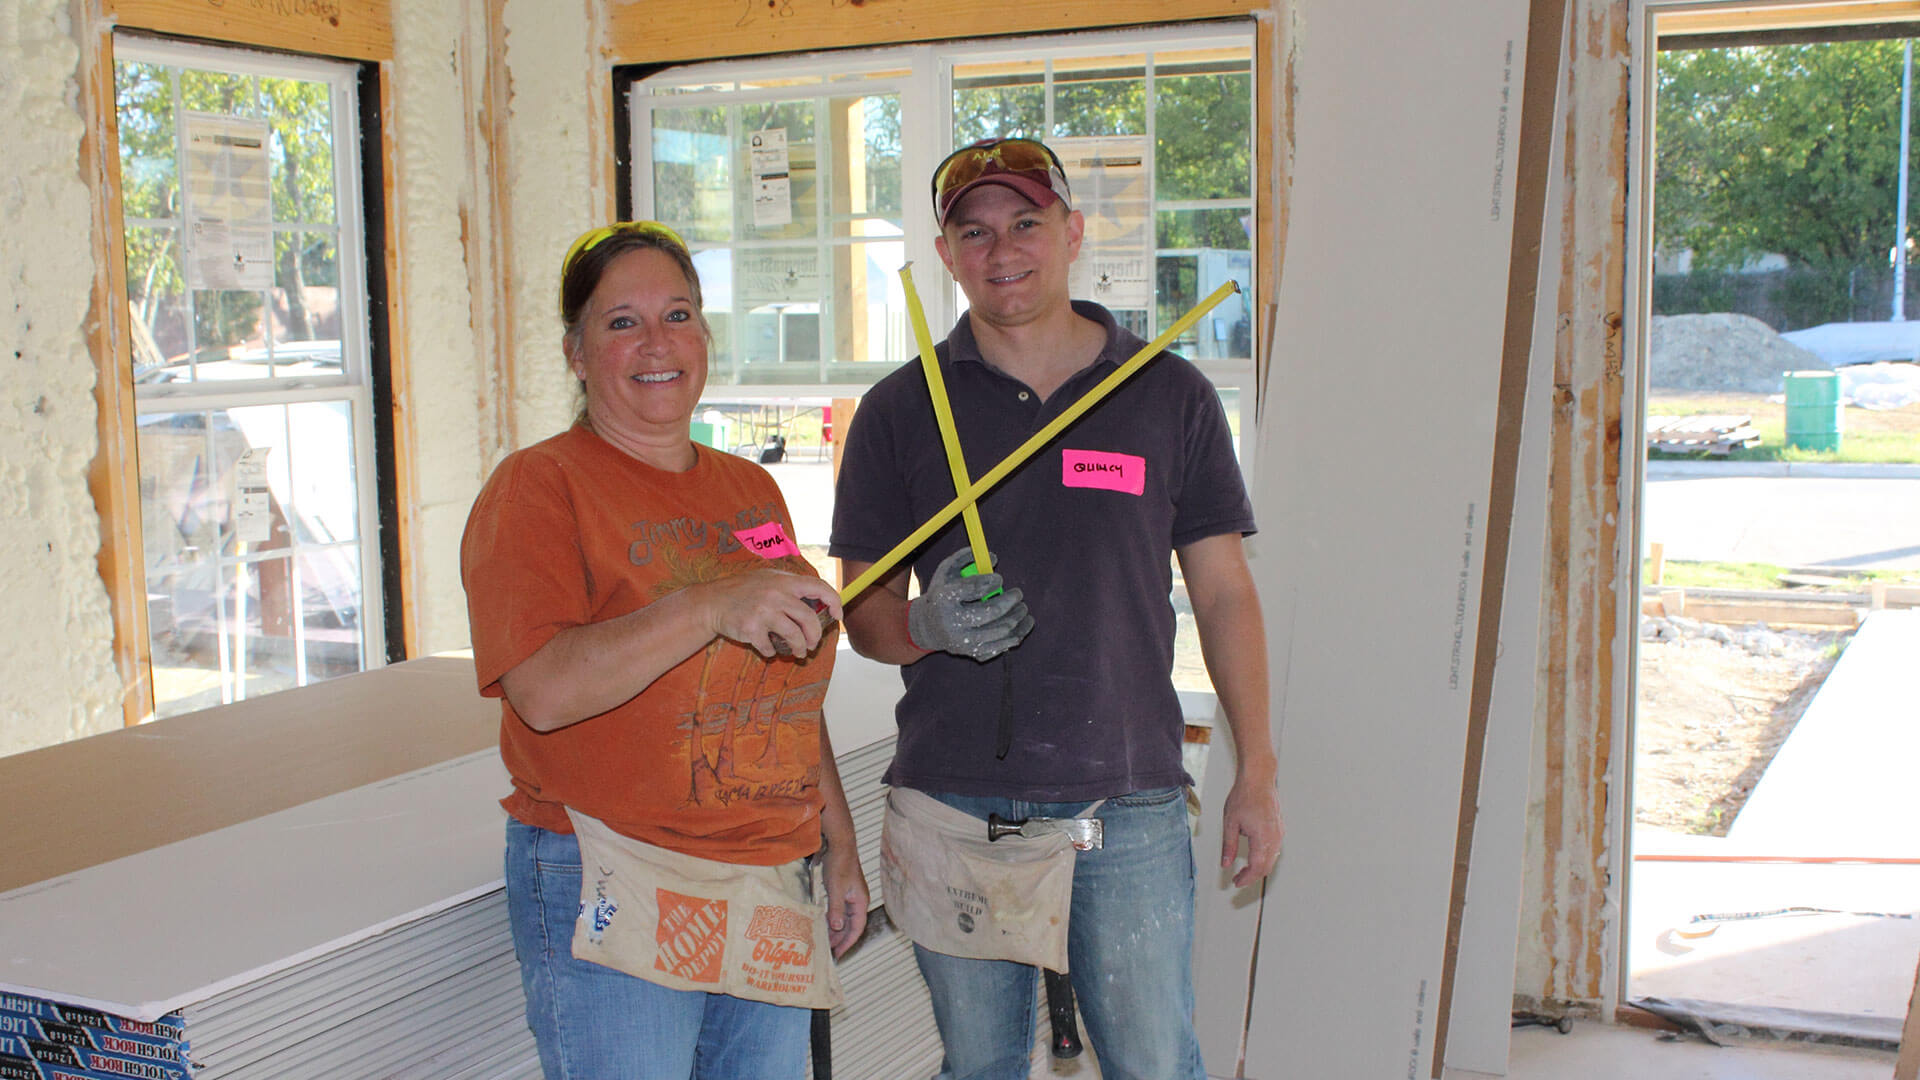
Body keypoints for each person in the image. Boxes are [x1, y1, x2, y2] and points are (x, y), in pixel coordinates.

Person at [829, 137, 1283, 1080]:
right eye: (974, 230)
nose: (1003, 250)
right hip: (954, 803)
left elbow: (1226, 593)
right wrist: (924, 626)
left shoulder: (1167, 394)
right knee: (979, 1067)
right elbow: (862, 613)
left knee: (1156, 1064)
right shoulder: (902, 411)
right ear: (947, 253)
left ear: (1073, 233)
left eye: (1026, 222)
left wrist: (1259, 770)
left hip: (1126, 797)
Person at [461, 221, 868, 1080]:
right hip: (616, 865)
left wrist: (837, 843)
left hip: (762, 871)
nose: (657, 343)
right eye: (622, 323)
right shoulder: (539, 487)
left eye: (678, 315)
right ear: (575, 351)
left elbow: (787, 694)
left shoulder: (748, 490)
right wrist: (709, 605)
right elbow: (541, 689)